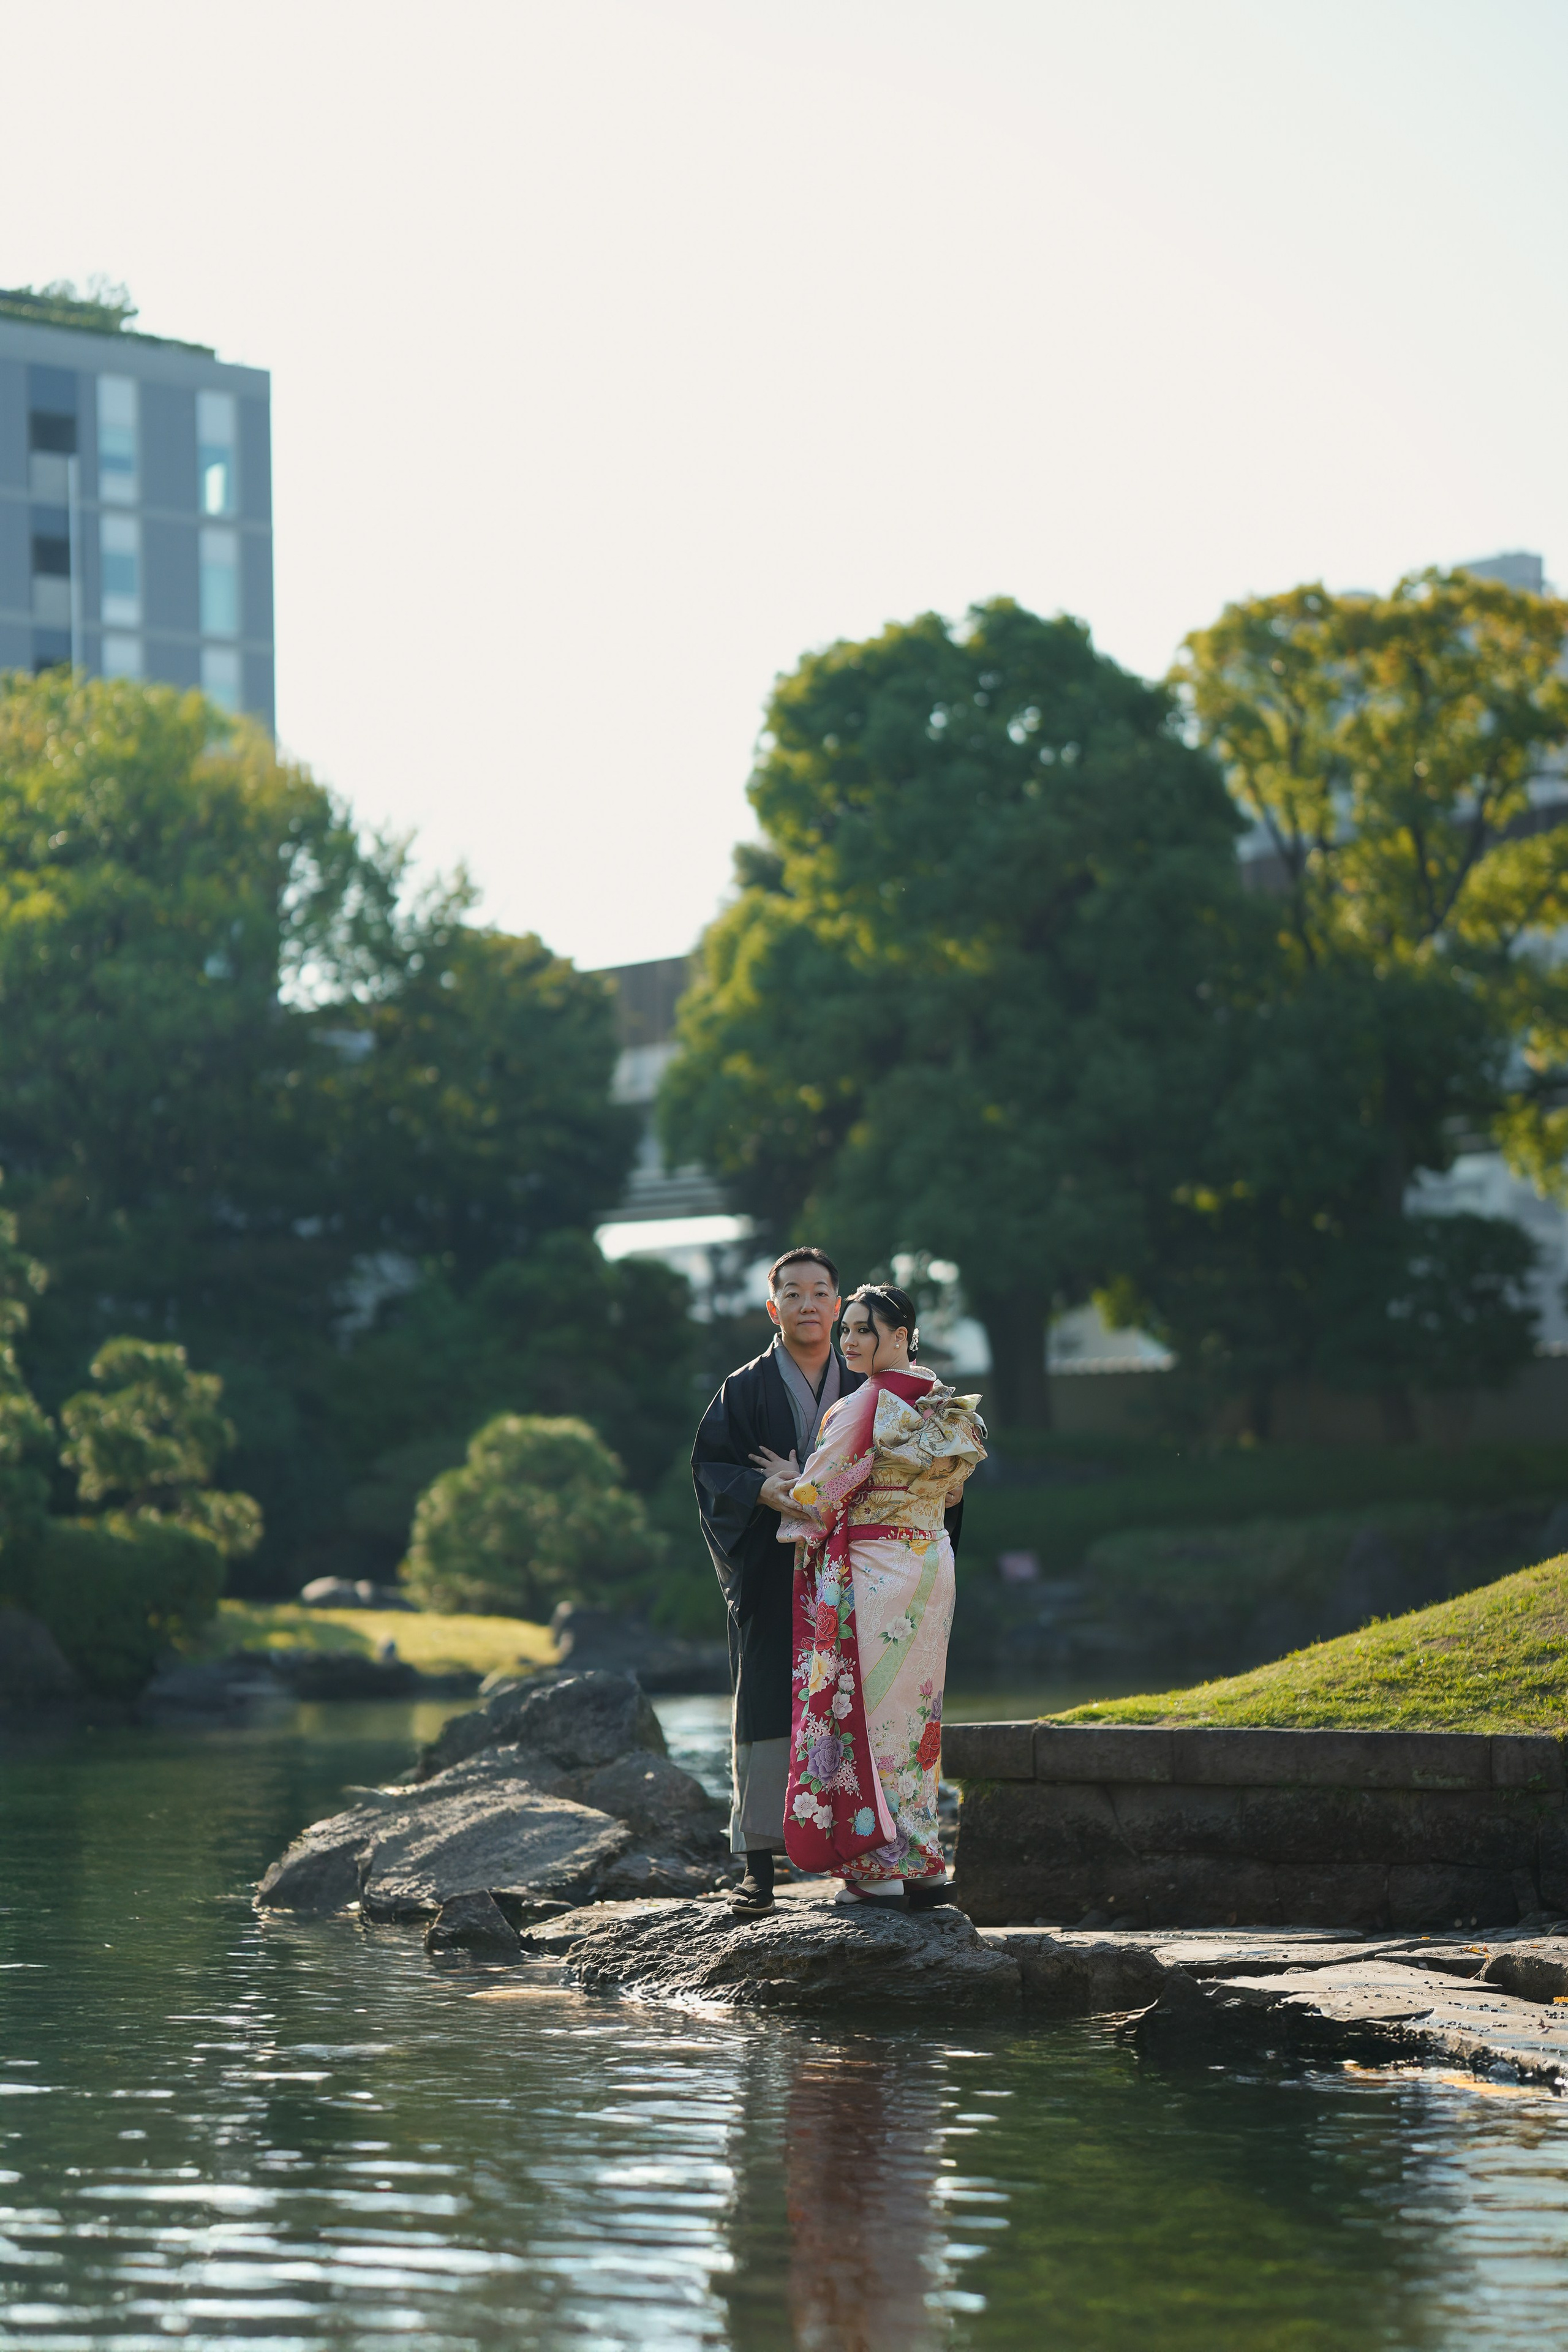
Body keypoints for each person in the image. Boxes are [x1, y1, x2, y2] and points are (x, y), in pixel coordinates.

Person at [765, 1283, 986, 1909]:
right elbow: (949, 1495)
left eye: (865, 1329)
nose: (851, 1340)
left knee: (865, 1712)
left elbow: (818, 1497)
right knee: (914, 1716)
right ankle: (921, 1860)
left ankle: (875, 1861)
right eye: (848, 1330)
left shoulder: (866, 1405)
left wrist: (778, 1483)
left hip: (874, 1568)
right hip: (927, 1563)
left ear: (901, 1334)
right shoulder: (943, 1406)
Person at [692, 1249, 857, 1917]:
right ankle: (758, 1867)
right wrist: (765, 1488)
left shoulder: (868, 1382)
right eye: (792, 1293)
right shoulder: (745, 1388)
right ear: (773, 1309)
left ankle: (861, 1858)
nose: (808, 1304)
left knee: (852, 1706)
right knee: (764, 1706)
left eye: (820, 1292)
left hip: (852, 1570)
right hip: (770, 1569)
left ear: (840, 1305)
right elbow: (709, 1469)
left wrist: (815, 1483)